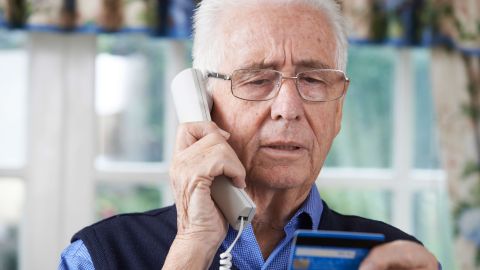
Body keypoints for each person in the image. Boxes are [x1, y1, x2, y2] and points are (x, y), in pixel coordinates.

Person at [59, 0, 440, 269]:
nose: (288, 108)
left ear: (338, 110)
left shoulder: (397, 260)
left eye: (312, 79)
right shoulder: (99, 256)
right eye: (257, 79)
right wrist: (192, 248)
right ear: (203, 105)